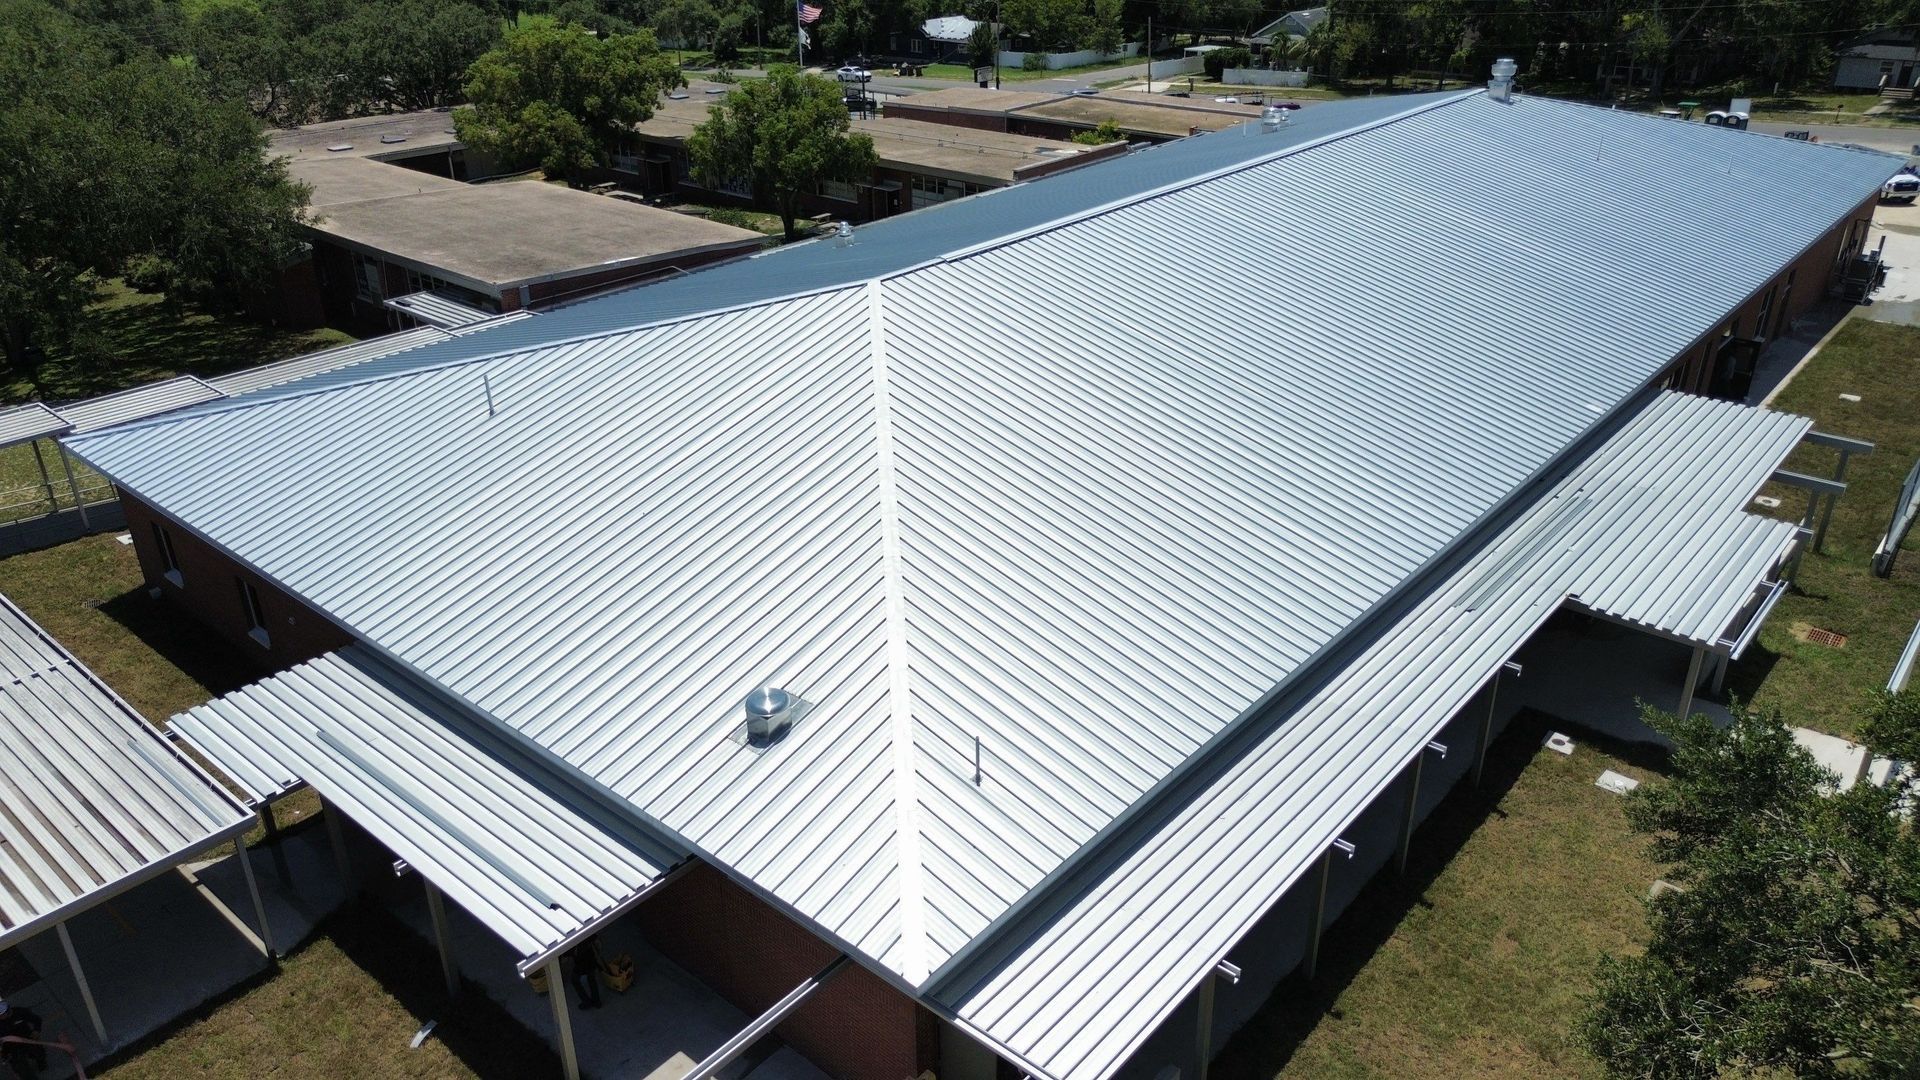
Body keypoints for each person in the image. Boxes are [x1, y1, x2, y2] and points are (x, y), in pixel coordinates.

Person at [0, 997, 48, 1076]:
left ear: (7, 1011)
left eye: (1, 1015)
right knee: (20, 1067)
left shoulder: (20, 1012)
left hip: (27, 1038)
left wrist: (36, 1030)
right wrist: (4, 1054)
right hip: (11, 1046)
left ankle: (41, 1063)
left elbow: (37, 1019)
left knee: (38, 1053)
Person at [562, 940, 601, 1011]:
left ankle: (586, 1001)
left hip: (581, 964)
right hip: (591, 958)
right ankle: (597, 1001)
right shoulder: (584, 936)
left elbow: (565, 957)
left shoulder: (570, 944)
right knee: (591, 978)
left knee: (575, 980)